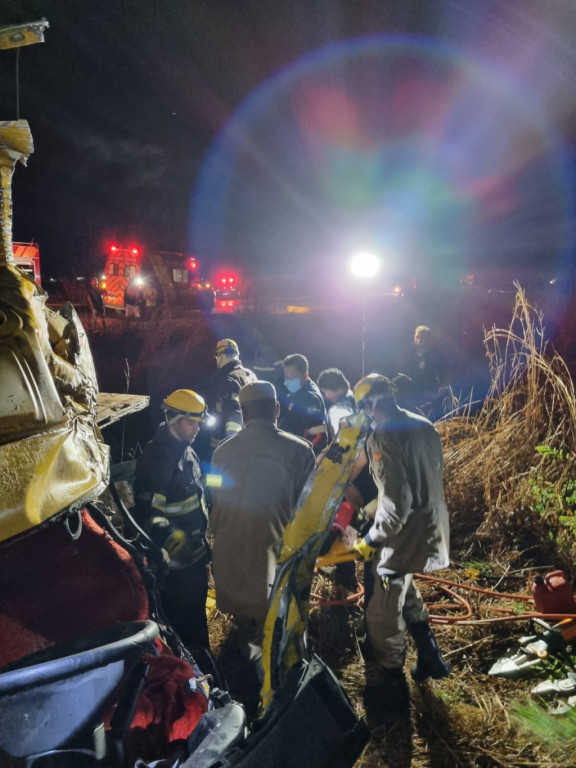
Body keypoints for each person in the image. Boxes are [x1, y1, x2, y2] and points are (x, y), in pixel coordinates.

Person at [210, 380, 315, 713]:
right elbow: (308, 514)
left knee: (250, 628)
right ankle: (275, 694)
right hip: (275, 569)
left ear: (242, 414)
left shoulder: (220, 452)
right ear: (277, 409)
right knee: (281, 634)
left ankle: (248, 664)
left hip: (228, 565)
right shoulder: (300, 451)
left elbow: (213, 498)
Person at [351, 374, 450, 725]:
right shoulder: (423, 424)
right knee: (403, 586)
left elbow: (396, 501)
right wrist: (366, 513)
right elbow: (414, 482)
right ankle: (430, 654)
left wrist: (370, 540)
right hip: (431, 526)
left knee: (381, 609)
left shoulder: (383, 436)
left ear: (367, 404)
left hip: (402, 535)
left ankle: (394, 690)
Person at [133, 389, 211, 653]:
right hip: (176, 570)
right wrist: (173, 539)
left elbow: (194, 489)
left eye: (199, 422)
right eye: (192, 422)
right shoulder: (157, 459)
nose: (197, 428)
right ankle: (193, 675)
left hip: (195, 558)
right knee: (185, 628)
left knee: (197, 620)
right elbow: (148, 514)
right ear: (173, 420)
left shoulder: (185, 450)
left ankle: (206, 674)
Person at [208, 338, 257, 455]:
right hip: (250, 438)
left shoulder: (228, 380)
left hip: (226, 444)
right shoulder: (250, 375)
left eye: (217, 357)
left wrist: (229, 442)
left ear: (220, 355)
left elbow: (234, 414)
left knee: (215, 472)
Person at [397, 325, 451, 419]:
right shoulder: (409, 356)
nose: (419, 340)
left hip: (431, 399)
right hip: (412, 400)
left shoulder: (437, 356)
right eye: (417, 337)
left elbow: (446, 376)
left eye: (423, 338)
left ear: (429, 339)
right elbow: (402, 376)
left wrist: (437, 394)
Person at [279, 353, 328, 455]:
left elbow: (318, 435)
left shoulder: (310, 398)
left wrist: (303, 457)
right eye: (286, 376)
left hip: (302, 458)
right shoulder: (297, 392)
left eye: (292, 377)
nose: (287, 380)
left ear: (305, 375)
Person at [317, 367, 356, 440]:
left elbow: (340, 439)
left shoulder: (336, 410)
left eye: (327, 392)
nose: (327, 396)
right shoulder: (359, 400)